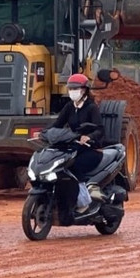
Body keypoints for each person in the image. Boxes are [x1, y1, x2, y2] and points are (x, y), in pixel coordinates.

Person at [50, 73, 105, 212]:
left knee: (73, 167)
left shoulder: (91, 107)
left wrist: (89, 137)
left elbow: (100, 130)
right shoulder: (69, 107)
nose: (72, 91)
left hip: (91, 150)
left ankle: (83, 202)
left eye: (76, 88)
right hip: (74, 147)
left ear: (84, 90)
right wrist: (45, 133)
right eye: (70, 89)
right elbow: (57, 125)